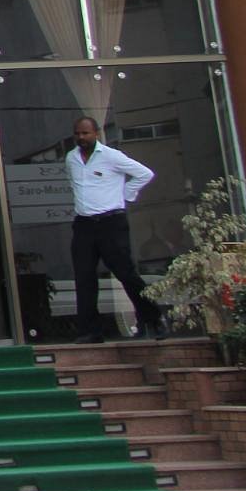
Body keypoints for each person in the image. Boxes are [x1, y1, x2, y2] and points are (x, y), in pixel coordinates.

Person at [67, 115, 164, 342]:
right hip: (84, 223)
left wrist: (125, 195)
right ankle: (90, 331)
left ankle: (152, 320)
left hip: (110, 222)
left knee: (125, 273)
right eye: (77, 133)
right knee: (84, 277)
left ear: (96, 134)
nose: (81, 137)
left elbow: (144, 174)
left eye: (85, 133)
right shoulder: (71, 158)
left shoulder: (111, 156)